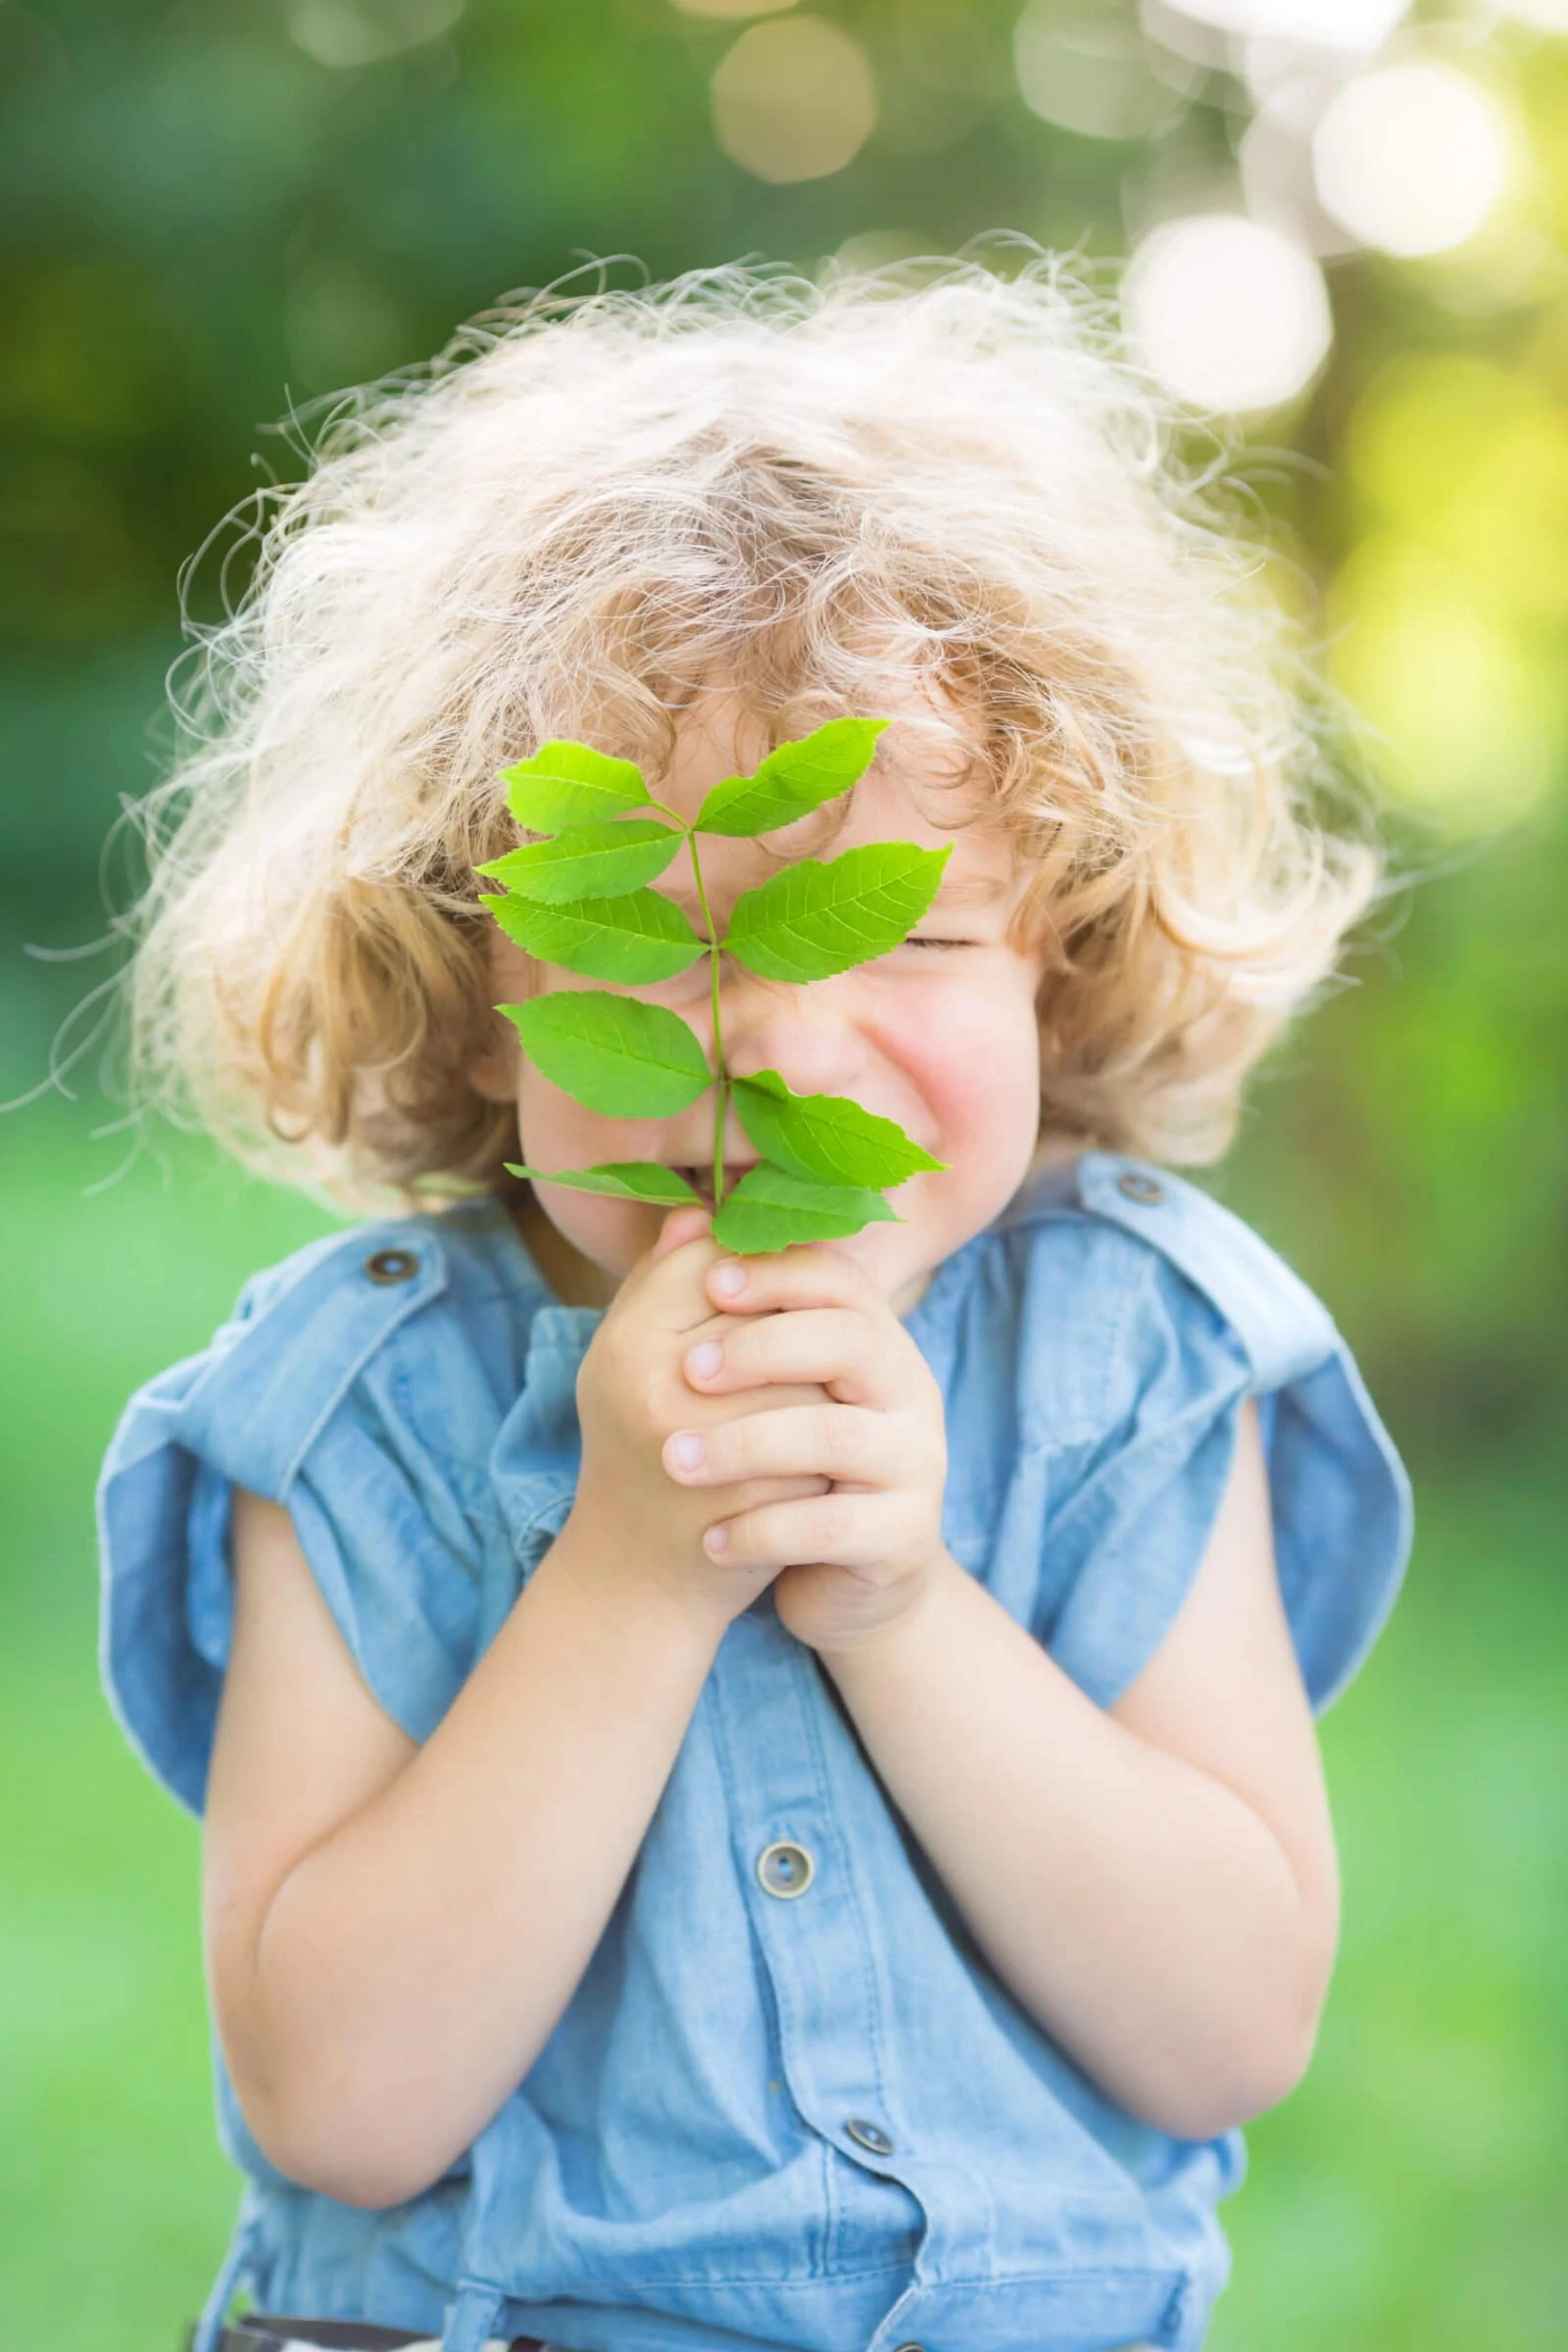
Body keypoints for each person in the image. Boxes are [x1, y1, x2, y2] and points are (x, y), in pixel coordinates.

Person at [96, 255, 1411, 2352]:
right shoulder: (356, 1412)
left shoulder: (1130, 1364)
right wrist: (629, 1565)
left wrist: (902, 1608)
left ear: (1056, 959)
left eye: (900, 929)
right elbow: (338, 2101)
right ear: (480, 975)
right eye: (654, 935)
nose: (780, 1051)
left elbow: (1224, 2027)